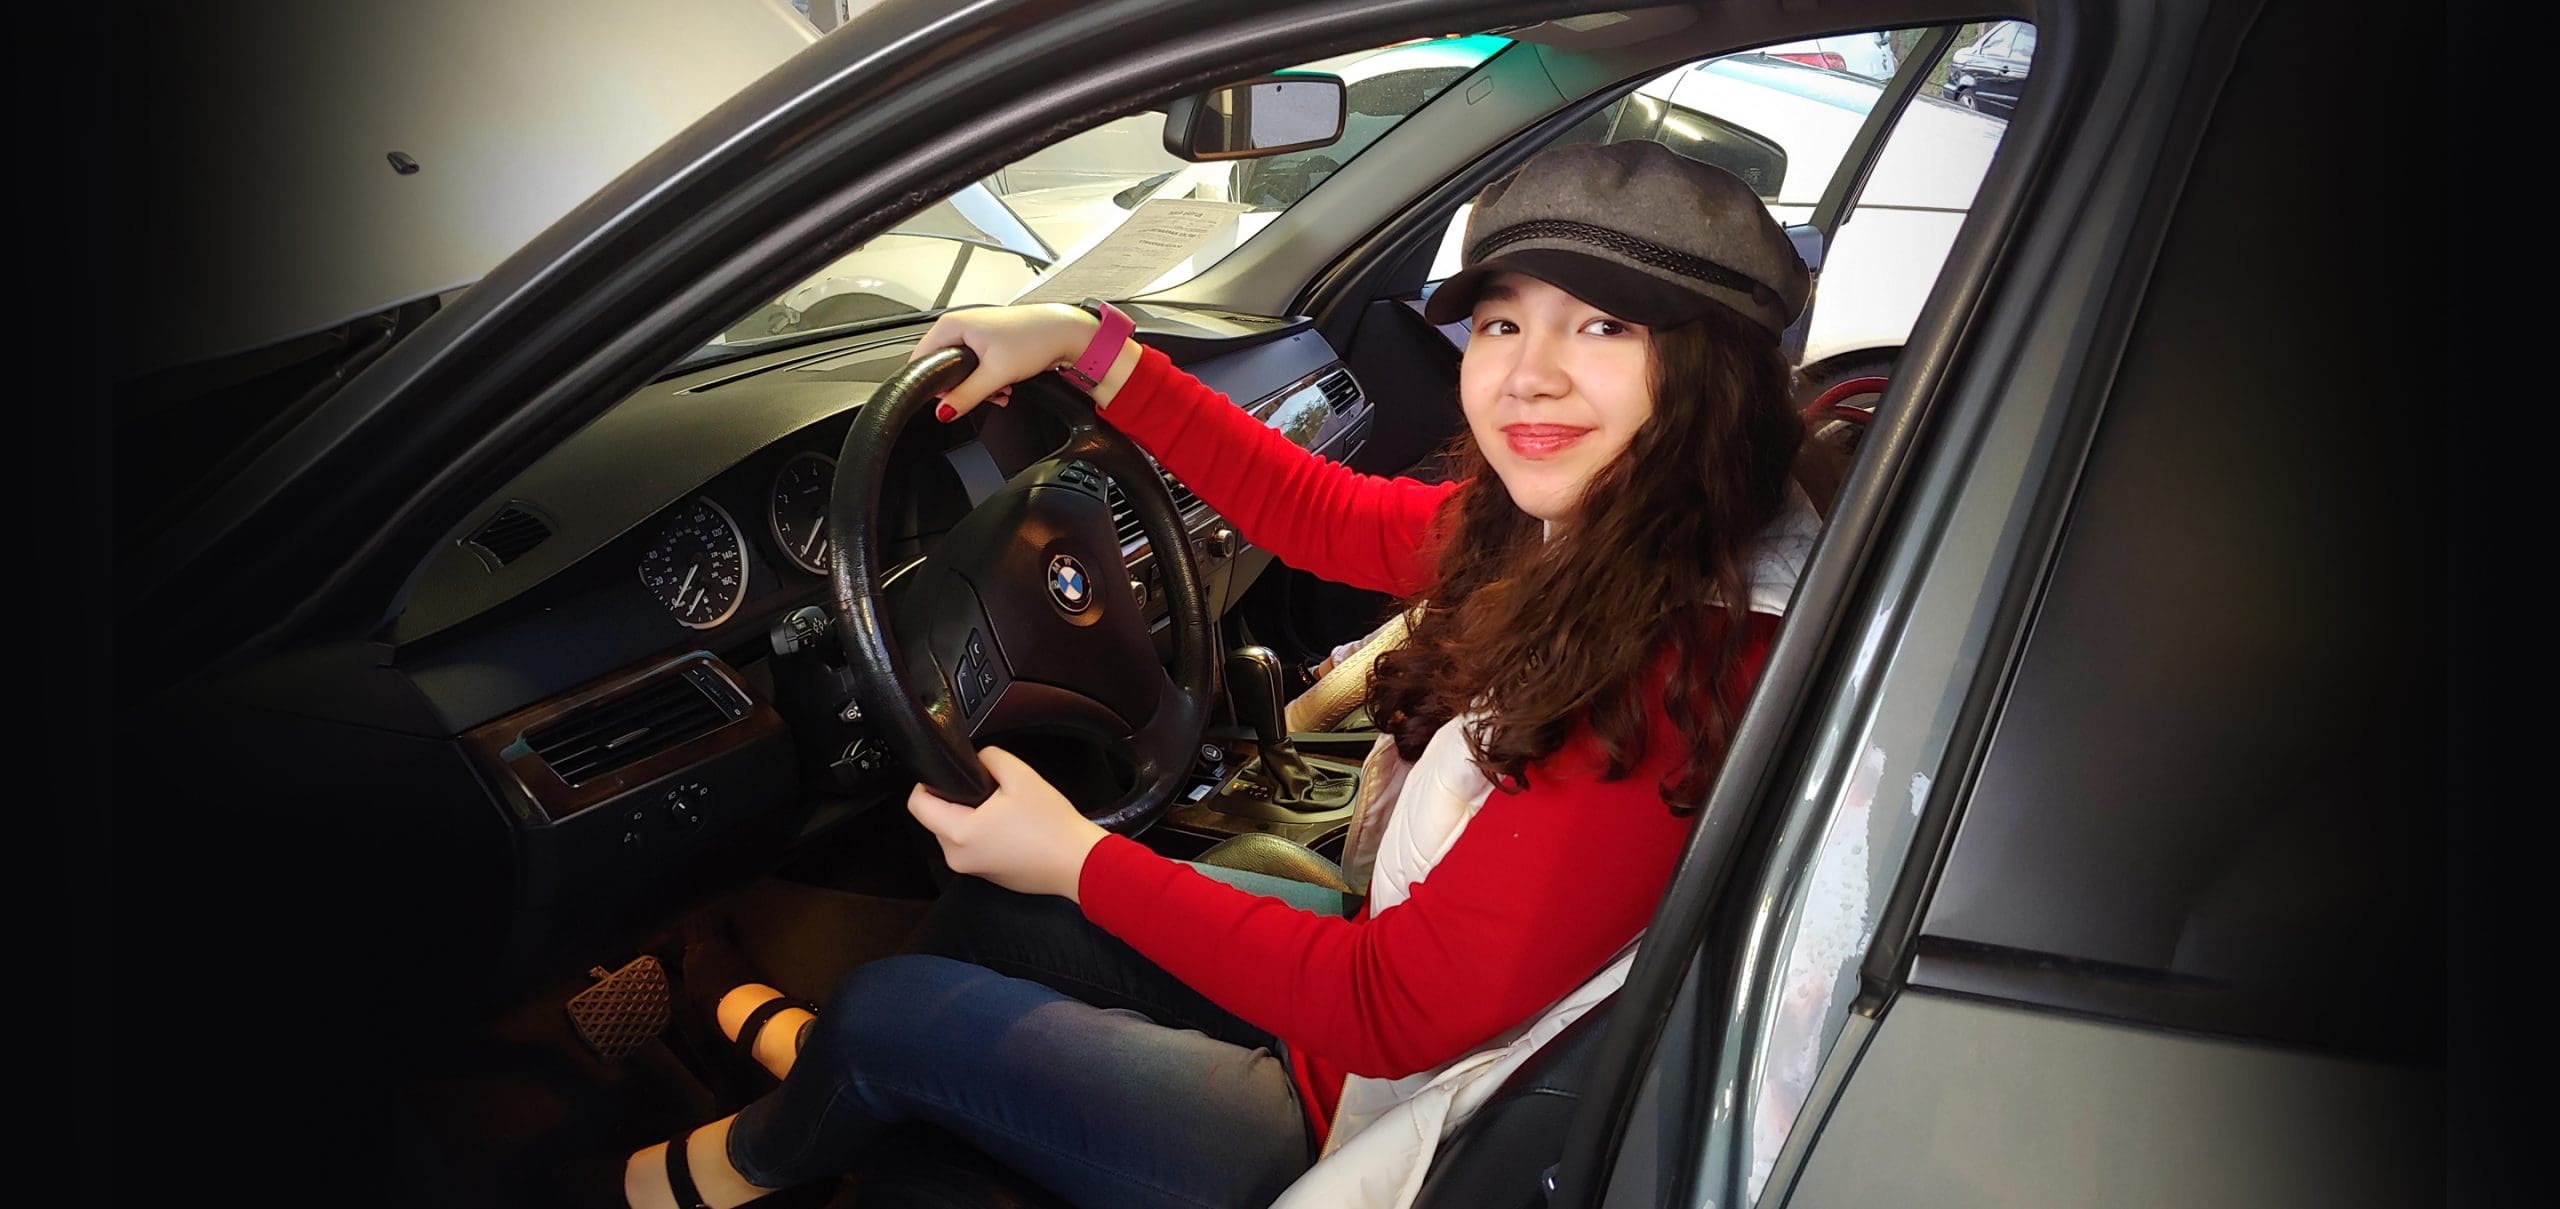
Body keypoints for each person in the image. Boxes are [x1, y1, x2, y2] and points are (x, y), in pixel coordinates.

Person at [624, 137, 1823, 1209]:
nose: (1527, 375)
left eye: (1605, 326)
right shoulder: (1624, 530)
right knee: (999, 904)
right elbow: (1327, 515)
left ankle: (728, 1165)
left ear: (1717, 372)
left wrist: (1083, 857)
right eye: (1505, 321)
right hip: (1389, 1009)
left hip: (1380, 1125)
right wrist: (1088, 348)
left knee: (891, 1011)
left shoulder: (1683, 672)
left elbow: (1388, 1011)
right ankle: (862, 1083)